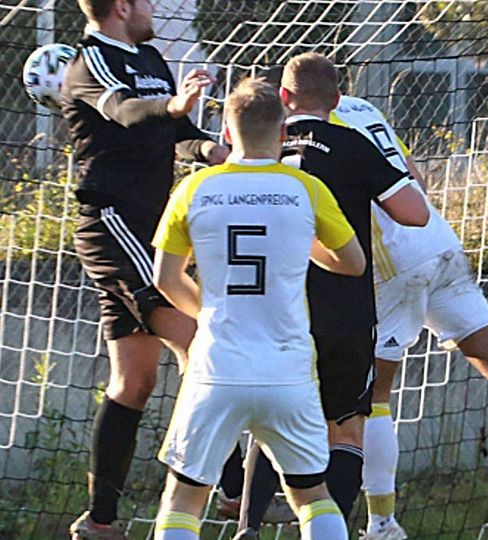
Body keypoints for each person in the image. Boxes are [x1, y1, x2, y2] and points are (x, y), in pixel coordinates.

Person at [320, 97, 488, 540]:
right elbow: (417, 177)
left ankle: (382, 524)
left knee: (372, 398)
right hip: (438, 241)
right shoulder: (365, 109)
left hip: (393, 258)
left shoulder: (308, 131)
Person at [214, 52, 429, 537]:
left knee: (273, 422)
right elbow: (415, 213)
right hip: (345, 309)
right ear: (336, 100)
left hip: (278, 310)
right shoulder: (352, 144)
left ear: (283, 98)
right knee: (348, 429)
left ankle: (248, 527)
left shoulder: (262, 145)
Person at [149, 77, 365, 540]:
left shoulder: (193, 189)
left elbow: (165, 278)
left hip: (216, 368)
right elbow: (354, 263)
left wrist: (207, 312)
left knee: (184, 497)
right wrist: (302, 243)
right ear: (284, 133)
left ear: (226, 133)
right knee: (311, 494)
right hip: (287, 372)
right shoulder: (306, 189)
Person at [61, 1, 229, 538]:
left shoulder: (152, 57)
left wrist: (212, 148)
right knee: (201, 343)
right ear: (122, 6)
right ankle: (232, 489)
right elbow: (128, 112)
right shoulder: (89, 63)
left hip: (149, 224)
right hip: (112, 221)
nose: (155, 8)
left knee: (134, 380)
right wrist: (175, 106)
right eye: (147, 0)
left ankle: (101, 523)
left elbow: (175, 135)